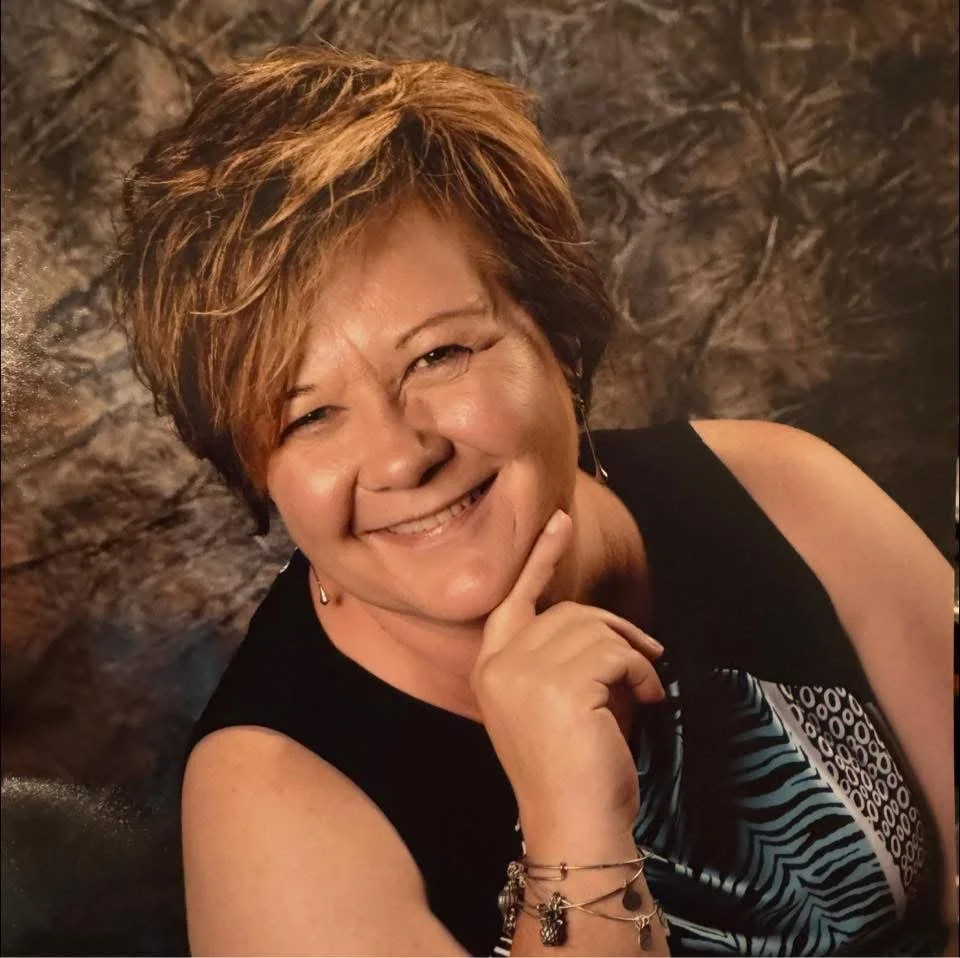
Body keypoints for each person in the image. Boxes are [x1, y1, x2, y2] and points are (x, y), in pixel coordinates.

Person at [113, 46, 955, 956]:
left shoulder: (785, 493)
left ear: (555, 334)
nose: (400, 457)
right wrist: (572, 834)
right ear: (252, 465)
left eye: (440, 355)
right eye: (309, 415)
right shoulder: (272, 804)